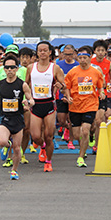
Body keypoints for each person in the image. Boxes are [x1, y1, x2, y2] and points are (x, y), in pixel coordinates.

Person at [26, 41, 66, 172]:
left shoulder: (55, 68)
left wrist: (62, 87)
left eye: (45, 50)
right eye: (40, 50)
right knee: (36, 136)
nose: (42, 52)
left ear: (50, 52)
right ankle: (42, 146)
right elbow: (25, 85)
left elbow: (64, 85)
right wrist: (25, 99)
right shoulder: (31, 68)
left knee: (49, 135)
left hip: (49, 104)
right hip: (35, 105)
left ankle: (48, 161)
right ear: (37, 53)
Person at [0, 55, 34, 180]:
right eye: (7, 67)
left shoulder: (22, 85)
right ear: (4, 69)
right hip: (5, 117)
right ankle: (7, 146)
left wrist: (28, 103)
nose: (10, 70)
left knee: (17, 148)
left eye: (12, 67)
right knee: (2, 141)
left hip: (17, 118)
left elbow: (31, 99)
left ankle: (14, 171)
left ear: (17, 69)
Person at [64, 47, 105, 167]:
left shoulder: (96, 72)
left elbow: (100, 86)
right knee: (77, 134)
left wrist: (101, 92)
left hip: (90, 104)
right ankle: (84, 146)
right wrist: (68, 96)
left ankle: (81, 157)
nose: (82, 60)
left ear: (90, 58)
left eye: (85, 58)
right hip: (75, 106)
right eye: (80, 58)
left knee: (85, 131)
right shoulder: (73, 72)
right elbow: (66, 87)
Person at [90, 40, 111, 154]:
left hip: (102, 94)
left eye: (102, 50)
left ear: (106, 52)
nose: (100, 53)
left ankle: (96, 145)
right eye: (98, 50)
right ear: (94, 51)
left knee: (99, 120)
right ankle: (91, 134)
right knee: (91, 124)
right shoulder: (89, 62)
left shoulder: (109, 64)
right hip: (89, 95)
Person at [55, 44, 79, 150]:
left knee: (72, 120)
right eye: (66, 54)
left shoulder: (78, 65)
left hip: (73, 97)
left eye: (70, 54)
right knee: (61, 121)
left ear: (74, 54)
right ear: (62, 54)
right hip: (61, 96)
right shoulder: (58, 65)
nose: (68, 56)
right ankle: (67, 129)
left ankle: (71, 141)